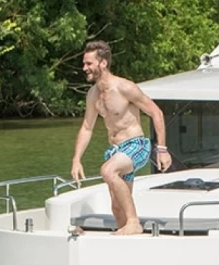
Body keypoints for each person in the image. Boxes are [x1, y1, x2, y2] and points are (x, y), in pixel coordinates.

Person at [71, 41, 172, 235]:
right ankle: (128, 243)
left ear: (103, 63)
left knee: (108, 171)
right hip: (115, 151)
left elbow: (156, 113)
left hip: (137, 145)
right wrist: (76, 159)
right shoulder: (93, 95)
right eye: (84, 63)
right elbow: (87, 127)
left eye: (89, 63)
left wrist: (162, 149)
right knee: (117, 208)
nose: (84, 68)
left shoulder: (125, 87)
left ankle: (134, 222)